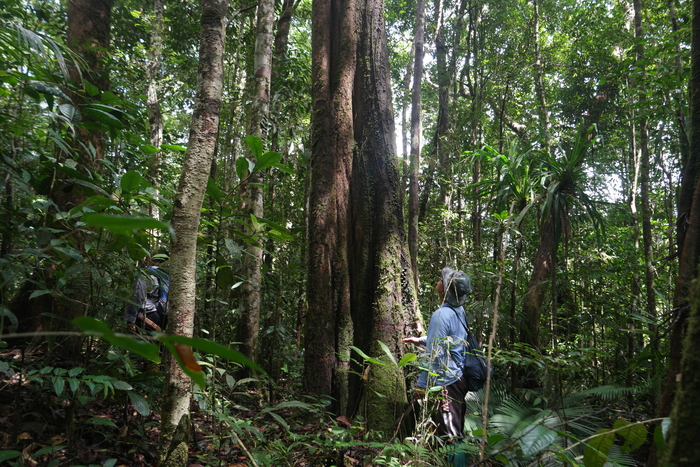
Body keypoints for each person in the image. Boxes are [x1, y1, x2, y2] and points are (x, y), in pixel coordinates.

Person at [403, 266, 472, 441]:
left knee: (450, 435)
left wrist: (421, 384)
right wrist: (420, 340)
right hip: (458, 378)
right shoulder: (458, 311)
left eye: (443, 280)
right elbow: (449, 339)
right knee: (453, 428)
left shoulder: (441, 314)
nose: (439, 280)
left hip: (447, 383)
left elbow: (434, 353)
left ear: (447, 290)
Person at [125, 262, 169, 333]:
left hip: (147, 315)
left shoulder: (146, 273)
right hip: (163, 317)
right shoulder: (169, 275)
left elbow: (138, 295)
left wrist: (130, 319)